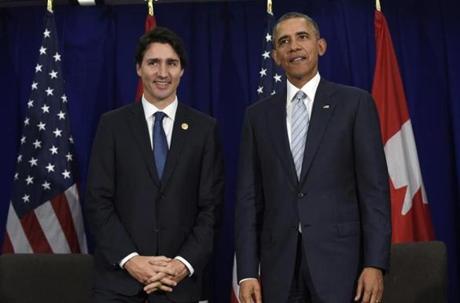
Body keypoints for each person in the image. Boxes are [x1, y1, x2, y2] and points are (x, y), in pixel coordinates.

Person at [235, 12, 391, 303]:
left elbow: (374, 191)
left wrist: (375, 263)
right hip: (279, 268)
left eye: (302, 37)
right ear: (276, 55)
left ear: (320, 46)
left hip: (343, 268)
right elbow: (248, 200)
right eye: (284, 41)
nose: (294, 46)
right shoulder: (257, 117)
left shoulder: (354, 104)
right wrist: (246, 273)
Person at [85, 26, 224, 303]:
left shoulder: (204, 129)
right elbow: (98, 201)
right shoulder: (112, 125)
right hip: (119, 285)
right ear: (139, 68)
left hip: (179, 286)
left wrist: (181, 264)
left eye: (171, 63)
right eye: (153, 63)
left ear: (182, 70)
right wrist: (132, 260)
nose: (163, 73)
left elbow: (211, 208)